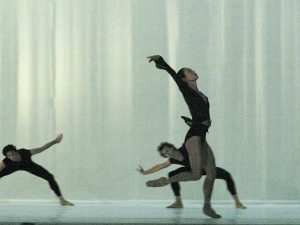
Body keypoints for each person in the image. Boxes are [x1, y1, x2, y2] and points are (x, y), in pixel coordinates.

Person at [146, 55, 220, 218]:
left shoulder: (202, 95)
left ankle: (207, 206)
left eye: (191, 69)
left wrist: (193, 121)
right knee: (196, 174)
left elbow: (201, 115)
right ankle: (166, 181)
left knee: (212, 172)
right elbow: (174, 75)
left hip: (201, 134)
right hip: (194, 137)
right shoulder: (186, 89)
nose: (192, 71)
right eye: (188, 71)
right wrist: (161, 61)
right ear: (184, 79)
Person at [138, 141, 246, 209]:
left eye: (168, 150)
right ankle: (178, 202)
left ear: (172, 147)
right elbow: (160, 166)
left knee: (227, 175)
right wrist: (145, 172)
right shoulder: (172, 160)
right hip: (191, 170)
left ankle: (237, 202)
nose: (168, 153)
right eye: (165, 153)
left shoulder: (185, 149)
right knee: (172, 174)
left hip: (205, 167)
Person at [0, 134, 73, 206]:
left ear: (16, 151)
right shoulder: (6, 161)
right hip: (11, 167)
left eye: (12, 154)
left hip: (28, 166)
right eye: (9, 156)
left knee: (50, 177)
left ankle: (62, 200)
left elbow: (42, 148)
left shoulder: (24, 152)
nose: (12, 157)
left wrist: (54, 141)